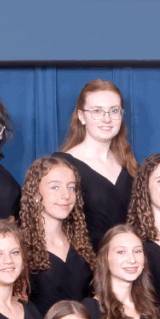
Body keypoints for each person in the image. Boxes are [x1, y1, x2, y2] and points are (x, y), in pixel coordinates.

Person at [53, 79, 136, 246]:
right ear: (82, 116)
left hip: (126, 259)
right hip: (85, 260)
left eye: (114, 111)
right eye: (97, 111)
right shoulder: (62, 164)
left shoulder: (129, 165)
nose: (107, 119)